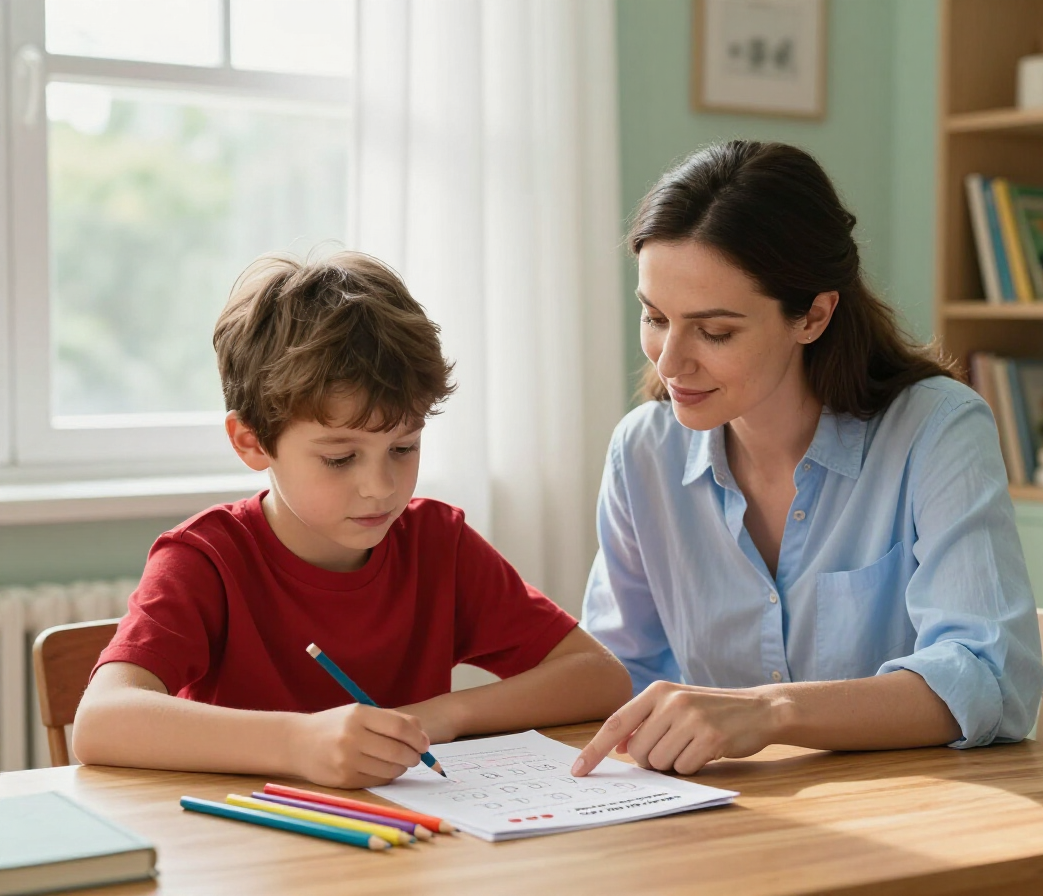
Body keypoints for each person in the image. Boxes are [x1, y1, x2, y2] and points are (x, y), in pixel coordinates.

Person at [572, 141, 1043, 779]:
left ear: (814, 316)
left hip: (919, 819)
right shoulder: (643, 452)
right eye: (655, 317)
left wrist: (769, 711)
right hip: (722, 825)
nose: (669, 361)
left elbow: (990, 678)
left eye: (715, 332)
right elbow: (612, 675)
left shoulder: (936, 429)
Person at [73, 251, 631, 788]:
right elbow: (102, 722)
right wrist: (298, 743)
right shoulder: (206, 560)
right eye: (340, 458)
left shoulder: (438, 545)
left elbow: (599, 677)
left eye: (404, 447)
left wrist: (440, 716)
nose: (381, 487)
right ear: (252, 442)